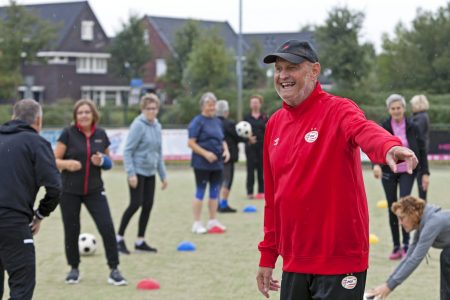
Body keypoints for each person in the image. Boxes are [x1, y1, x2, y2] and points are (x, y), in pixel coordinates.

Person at [255, 40, 418, 300]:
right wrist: (268, 255)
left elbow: (364, 129)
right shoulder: (274, 124)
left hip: (339, 259)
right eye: (278, 69)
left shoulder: (338, 109)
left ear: (314, 70)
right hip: (295, 259)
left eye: (292, 67)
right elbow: (274, 201)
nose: (283, 75)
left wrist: (389, 146)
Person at [54, 99, 127, 286]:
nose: (84, 115)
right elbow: (53, 160)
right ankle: (74, 269)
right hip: (69, 191)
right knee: (71, 230)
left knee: (107, 227)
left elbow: (110, 163)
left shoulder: (101, 135)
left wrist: (101, 161)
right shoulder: (68, 134)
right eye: (80, 113)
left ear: (93, 114)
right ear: (75, 116)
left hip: (95, 190)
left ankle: (114, 269)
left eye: (87, 112)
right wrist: (67, 164)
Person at [0, 99, 61, 300]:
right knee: (22, 288)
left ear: (12, 118)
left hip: (10, 220)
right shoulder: (36, 142)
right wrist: (41, 214)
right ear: (39, 121)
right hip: (12, 222)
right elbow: (55, 187)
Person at [372, 94, 429, 260]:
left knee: (403, 204)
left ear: (404, 109)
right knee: (392, 206)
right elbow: (376, 146)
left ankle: (406, 245)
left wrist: (425, 173)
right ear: (389, 110)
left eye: (399, 108)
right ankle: (396, 246)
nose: (396, 111)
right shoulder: (383, 126)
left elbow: (422, 150)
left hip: (408, 171)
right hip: (389, 171)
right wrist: (376, 164)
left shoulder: (413, 126)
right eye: (393, 108)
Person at [367, 196, 450, 300]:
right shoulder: (422, 225)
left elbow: (415, 259)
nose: (399, 223)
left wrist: (388, 287)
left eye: (401, 218)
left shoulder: (433, 223)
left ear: (413, 213)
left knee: (447, 256)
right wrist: (387, 283)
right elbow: (408, 257)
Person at [117, 93, 168, 254]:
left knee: (147, 205)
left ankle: (140, 241)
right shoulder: (138, 125)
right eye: (149, 109)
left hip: (150, 172)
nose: (152, 111)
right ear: (143, 109)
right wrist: (131, 174)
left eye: (154, 108)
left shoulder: (157, 126)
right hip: (137, 172)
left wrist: (163, 175)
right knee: (135, 204)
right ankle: (118, 239)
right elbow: (128, 151)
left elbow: (158, 152)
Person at [187, 92, 230, 234]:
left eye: (213, 105)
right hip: (201, 164)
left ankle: (212, 220)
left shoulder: (217, 121)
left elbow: (222, 140)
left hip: (217, 164)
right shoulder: (197, 121)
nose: (212, 107)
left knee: (214, 192)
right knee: (200, 191)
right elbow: (191, 143)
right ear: (202, 106)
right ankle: (197, 223)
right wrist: (205, 154)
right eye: (209, 104)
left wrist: (226, 150)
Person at [216, 99, 253, 213]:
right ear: (226, 111)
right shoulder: (229, 124)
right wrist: (248, 139)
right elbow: (237, 136)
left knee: (217, 181)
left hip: (215, 156)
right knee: (227, 180)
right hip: (228, 156)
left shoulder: (213, 123)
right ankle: (223, 205)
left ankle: (216, 203)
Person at [244, 95, 268, 199]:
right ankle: (250, 192)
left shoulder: (264, 117)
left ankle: (261, 192)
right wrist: (248, 139)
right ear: (250, 104)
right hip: (250, 147)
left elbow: (268, 131)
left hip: (262, 147)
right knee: (250, 170)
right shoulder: (246, 117)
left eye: (256, 102)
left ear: (260, 104)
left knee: (261, 170)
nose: (255, 104)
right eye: (253, 102)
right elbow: (241, 133)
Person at [410, 94, 431, 200]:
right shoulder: (421, 116)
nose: (411, 106)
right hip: (420, 153)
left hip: (419, 154)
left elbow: (418, 135)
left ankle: (423, 207)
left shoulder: (420, 117)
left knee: (421, 181)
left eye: (413, 104)